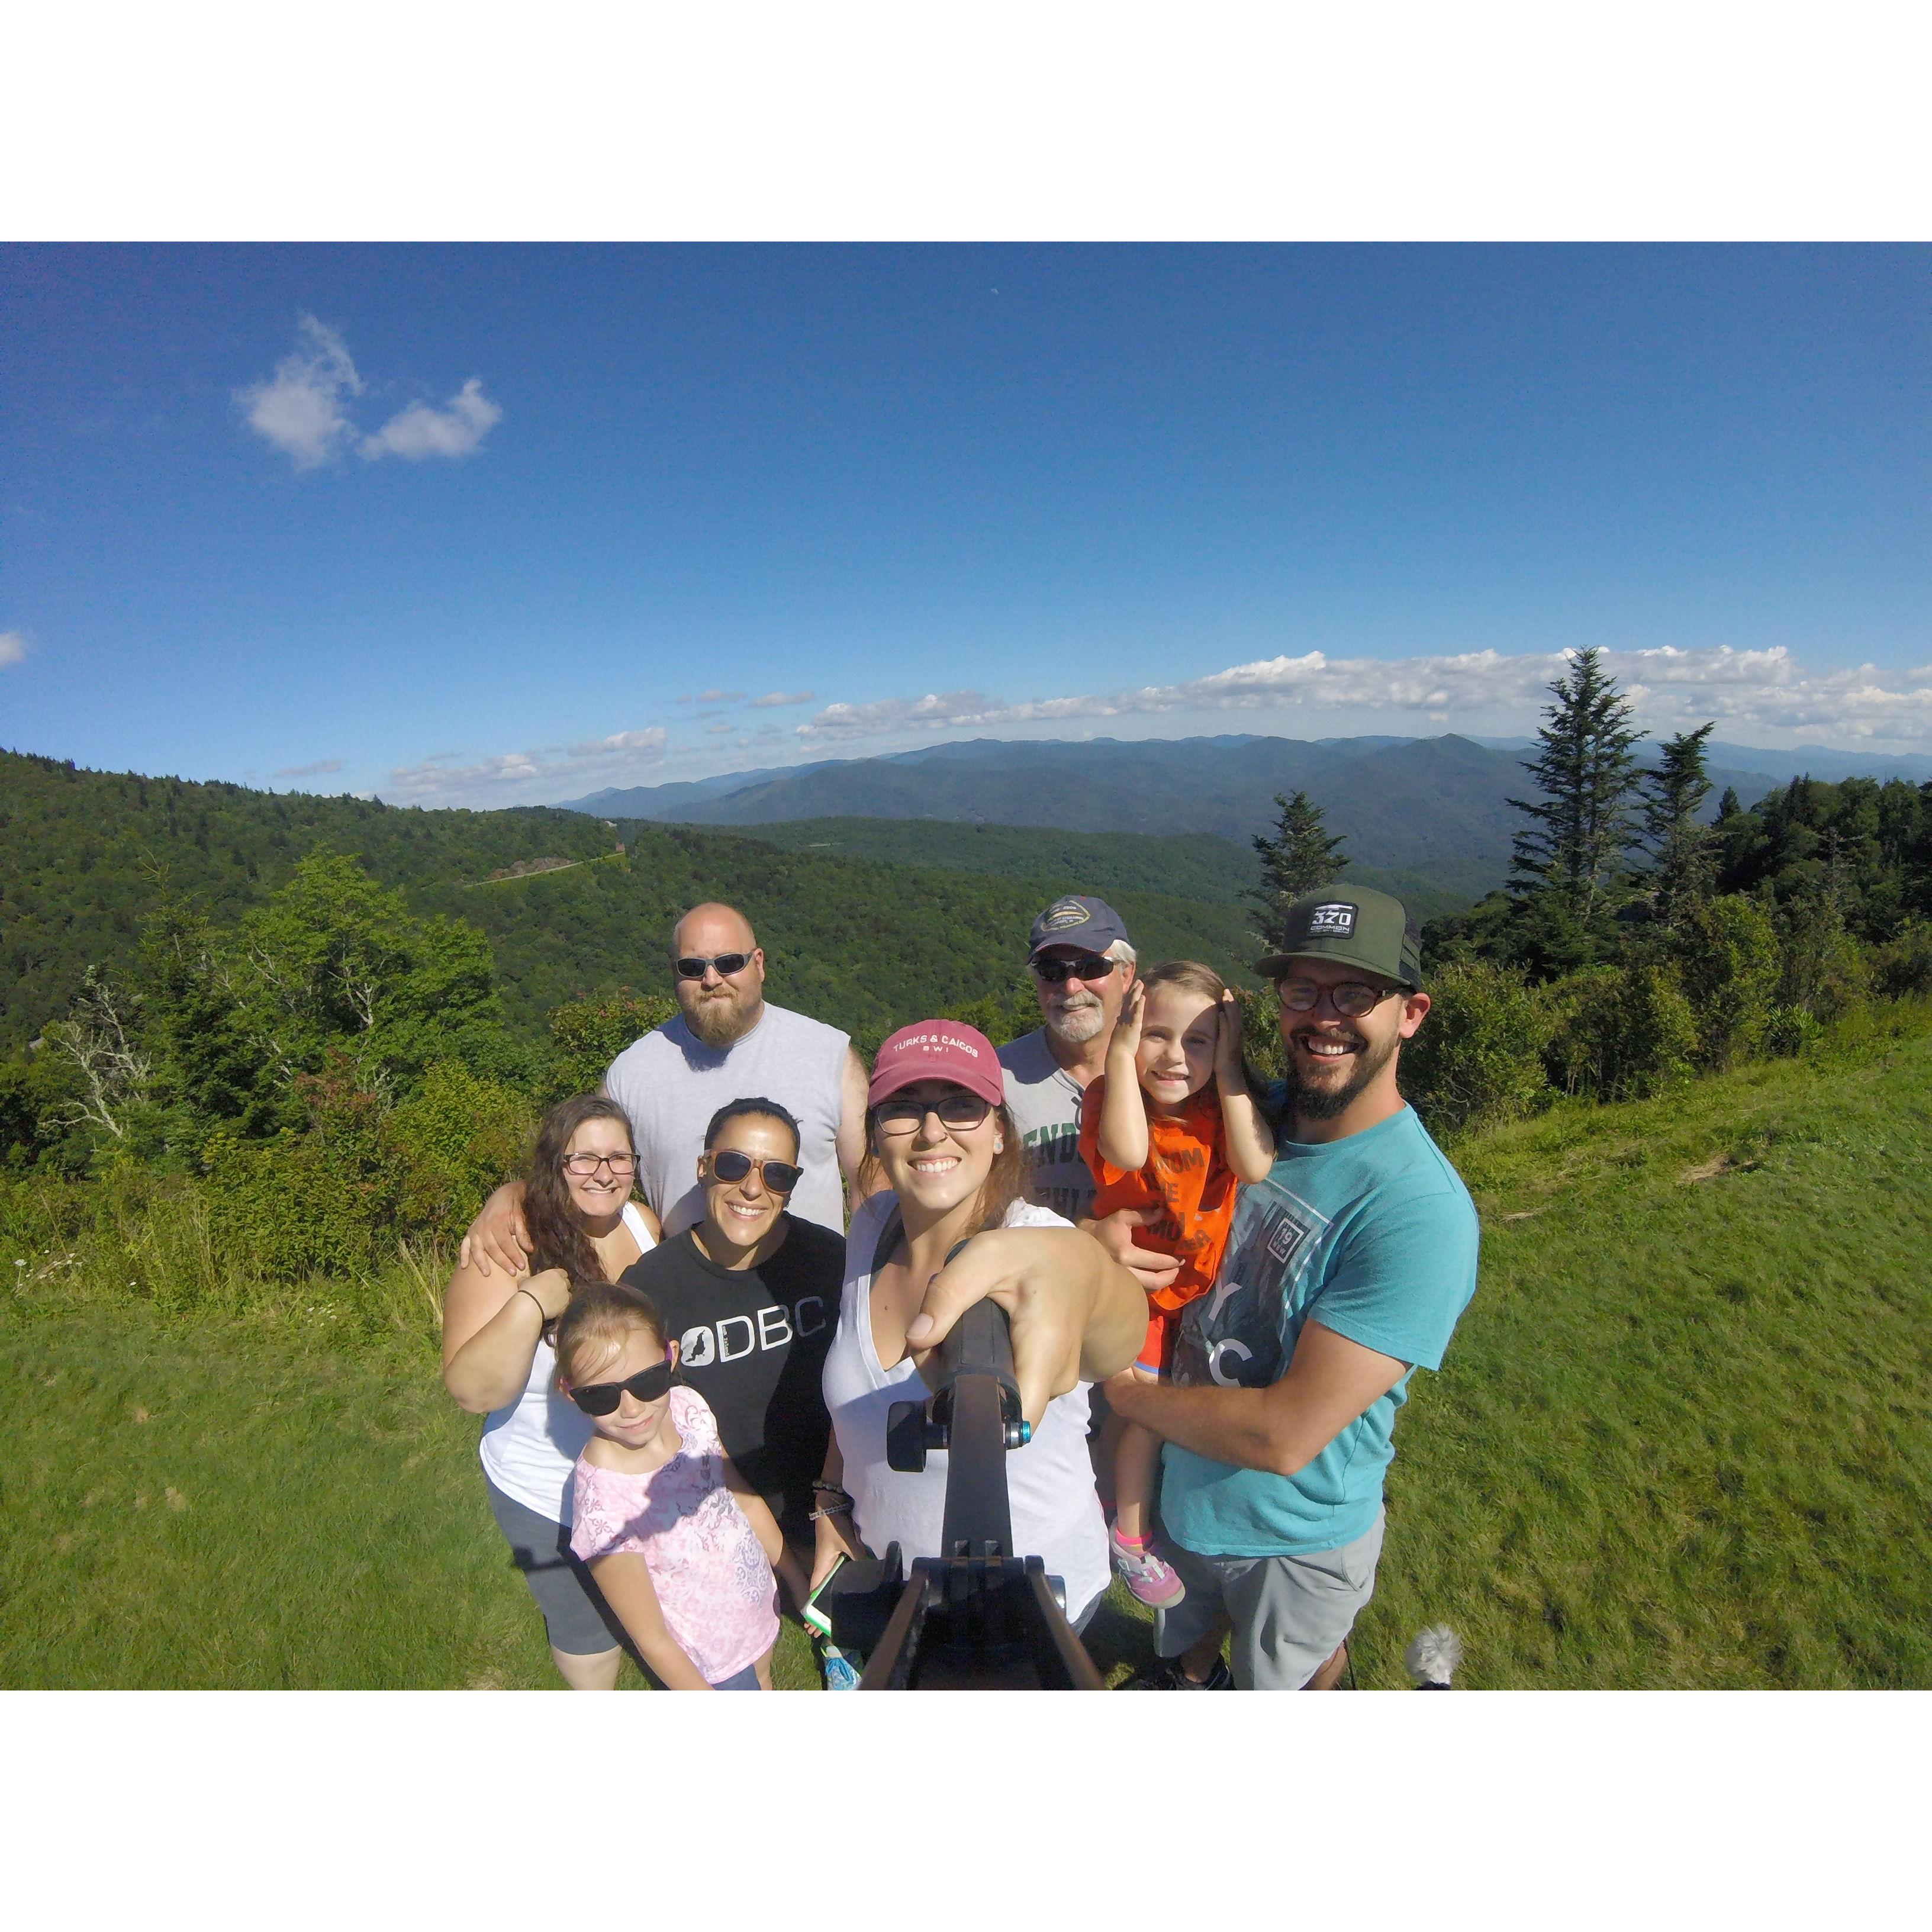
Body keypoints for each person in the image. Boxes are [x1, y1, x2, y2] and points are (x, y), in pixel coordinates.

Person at [1105, 886, 1480, 1690]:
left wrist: (1130, 1401)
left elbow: (1285, 1435)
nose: (1324, 1016)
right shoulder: (1246, 1118)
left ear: (1410, 1014)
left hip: (1294, 1542)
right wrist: (1094, 1241)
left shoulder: (1417, 1211)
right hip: (1184, 1502)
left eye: (1355, 993)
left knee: (1286, 1684)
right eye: (1302, 991)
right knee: (1187, 1658)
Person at [813, 1020, 1147, 1643]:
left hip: (1032, 1608)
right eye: (904, 1109)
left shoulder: (1039, 1246)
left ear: (999, 1133)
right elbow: (853, 1404)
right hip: (895, 1592)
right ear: (876, 1133)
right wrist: (830, 1503)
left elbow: (1117, 1331)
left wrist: (1088, 1269)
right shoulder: (872, 1228)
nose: (932, 1130)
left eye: (961, 1107)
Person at [458, 901, 871, 1270]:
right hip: (691, 1314)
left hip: (815, 1298)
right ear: (674, 974)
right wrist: (513, 1194)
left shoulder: (827, 1054)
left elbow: (871, 1182)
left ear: (759, 964)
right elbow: (579, 1168)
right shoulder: (633, 1073)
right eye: (693, 968)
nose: (712, 979)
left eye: (729, 962)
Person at [441, 1096, 661, 1690]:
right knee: (587, 1631)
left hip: (637, 1476)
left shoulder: (645, 1225)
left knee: (653, 1610)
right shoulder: (509, 1247)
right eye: (583, 1159)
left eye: (618, 1158)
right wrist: (533, 1302)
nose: (603, 1172)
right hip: (546, 1487)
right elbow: (470, 1391)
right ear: (554, 1164)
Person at [1079, 961, 1274, 1608]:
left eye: (1198, 1041)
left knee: (1142, 1414)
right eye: (1155, 1034)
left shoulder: (1220, 1108)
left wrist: (1231, 1070)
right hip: (1136, 1292)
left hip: (1200, 1296)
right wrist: (1123, 1054)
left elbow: (1254, 1165)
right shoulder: (1112, 1097)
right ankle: (1130, 1539)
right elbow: (1129, 1153)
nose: (1174, 1057)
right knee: (1148, 1414)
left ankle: (1108, 1500)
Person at [620, 1096, 845, 1561]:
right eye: (733, 1165)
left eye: (777, 1173)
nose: (752, 1189)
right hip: (716, 1528)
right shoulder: (651, 1286)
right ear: (704, 1167)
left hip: (838, 1512)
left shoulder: (830, 1261)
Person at [559, 1281, 792, 1689]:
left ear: (672, 1357)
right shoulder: (603, 1505)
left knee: (764, 1679)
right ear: (570, 1393)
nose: (631, 1409)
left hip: (756, 1615)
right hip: (708, 1665)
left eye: (647, 1381)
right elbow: (651, 1638)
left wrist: (797, 1578)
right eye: (601, 1396)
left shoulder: (689, 1408)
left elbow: (743, 1501)